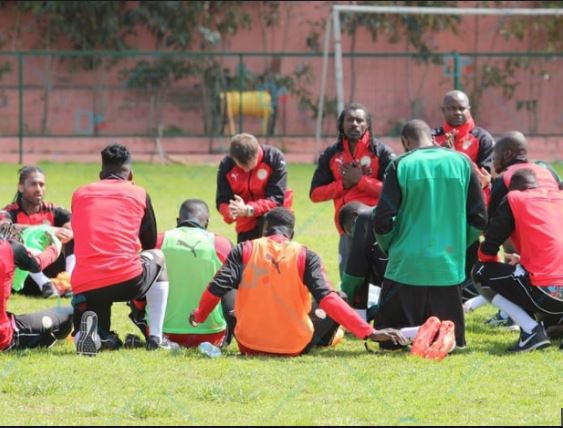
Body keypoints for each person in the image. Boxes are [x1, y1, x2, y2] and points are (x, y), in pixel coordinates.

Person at [189, 207, 407, 356]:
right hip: (293, 346)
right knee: (336, 298)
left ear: (265, 229)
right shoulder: (306, 255)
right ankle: (329, 338)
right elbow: (328, 299)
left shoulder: (244, 249)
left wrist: (199, 315)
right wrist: (368, 332)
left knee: (229, 287)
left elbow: (217, 287)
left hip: (248, 345)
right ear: (291, 233)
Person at [373, 119, 487, 350]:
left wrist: (391, 247)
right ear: (433, 138)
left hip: (406, 266)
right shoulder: (462, 163)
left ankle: (408, 335)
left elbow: (382, 220)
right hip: (447, 267)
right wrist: (458, 243)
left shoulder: (400, 165)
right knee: (450, 340)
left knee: (390, 339)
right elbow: (480, 218)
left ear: (405, 141)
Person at [70, 144, 177, 355]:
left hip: (86, 283)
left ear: (101, 174)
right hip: (127, 280)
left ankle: (93, 336)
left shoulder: (80, 194)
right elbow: (150, 243)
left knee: (95, 315)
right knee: (158, 256)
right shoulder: (138, 193)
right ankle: (156, 337)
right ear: (130, 175)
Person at [472, 168, 563, 352]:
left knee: (480, 271)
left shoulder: (515, 198)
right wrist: (523, 260)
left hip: (546, 294)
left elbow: (488, 249)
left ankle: (531, 332)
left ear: (513, 188)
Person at [482, 131, 561, 327]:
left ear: (507, 154)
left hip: (531, 255)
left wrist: (485, 189)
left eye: (494, 157)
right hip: (553, 245)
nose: (492, 163)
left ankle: (516, 319)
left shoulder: (506, 179)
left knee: (491, 268)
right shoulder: (548, 171)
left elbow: (493, 227)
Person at [310, 103, 395, 277]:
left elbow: (392, 191)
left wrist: (360, 181)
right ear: (342, 124)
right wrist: (343, 185)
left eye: (359, 120)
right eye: (350, 120)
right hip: (346, 227)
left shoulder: (382, 152)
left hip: (376, 226)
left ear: (367, 124)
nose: (354, 124)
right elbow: (315, 194)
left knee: (379, 280)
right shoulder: (331, 154)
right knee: (349, 281)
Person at [432, 90, 495, 304]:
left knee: (471, 258)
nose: (458, 112)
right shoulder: (433, 138)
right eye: (452, 107)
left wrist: (455, 158)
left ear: (469, 109)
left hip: (472, 211)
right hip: (440, 210)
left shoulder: (482, 138)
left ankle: (467, 299)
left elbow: (485, 179)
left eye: (462, 108)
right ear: (443, 110)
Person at [157, 199, 236, 348]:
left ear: (178, 221)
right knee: (231, 283)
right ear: (206, 223)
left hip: (163, 332)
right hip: (212, 334)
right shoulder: (222, 244)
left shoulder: (159, 240)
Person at [0, 219, 73, 351]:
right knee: (68, 313)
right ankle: (54, 338)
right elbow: (37, 264)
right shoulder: (10, 248)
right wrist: (55, 247)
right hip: (4, 335)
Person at [3, 166, 75, 298]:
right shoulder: (10, 212)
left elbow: (75, 223)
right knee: (16, 240)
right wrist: (46, 230)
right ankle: (45, 285)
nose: (38, 189)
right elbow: (3, 228)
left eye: (41, 184)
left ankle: (68, 281)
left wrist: (69, 232)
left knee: (74, 235)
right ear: (20, 187)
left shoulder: (53, 210)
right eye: (33, 184)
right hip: (25, 278)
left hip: (52, 268)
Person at [216, 133, 293, 243]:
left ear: (257, 151)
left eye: (249, 164)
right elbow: (222, 199)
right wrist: (231, 211)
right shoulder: (226, 165)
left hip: (273, 219)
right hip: (245, 221)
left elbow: (277, 198)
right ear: (234, 159)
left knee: (272, 257)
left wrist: (249, 209)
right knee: (246, 257)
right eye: (241, 166)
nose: (246, 170)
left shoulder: (274, 158)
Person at [338, 201, 387, 321]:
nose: (352, 237)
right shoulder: (387, 213)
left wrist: (343, 301)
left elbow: (353, 276)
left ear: (355, 217)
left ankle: (362, 317)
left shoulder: (364, 220)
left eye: (349, 230)